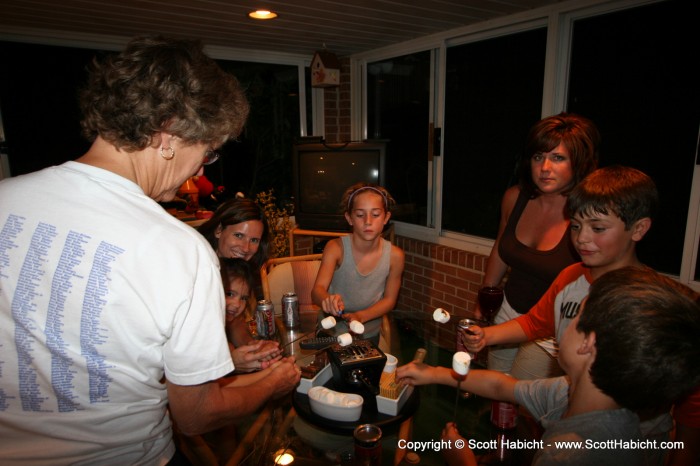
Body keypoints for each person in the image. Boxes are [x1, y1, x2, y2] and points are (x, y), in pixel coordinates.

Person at [0, 36, 300, 465]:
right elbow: (195, 415)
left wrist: (228, 358)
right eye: (208, 151)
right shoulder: (179, 249)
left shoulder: (5, 197)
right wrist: (272, 385)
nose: (200, 169)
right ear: (168, 132)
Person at [397, 267, 700, 465]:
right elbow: (504, 386)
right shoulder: (572, 391)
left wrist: (463, 462)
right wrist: (434, 373)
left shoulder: (570, 455)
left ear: (587, 344)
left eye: (575, 317)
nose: (562, 324)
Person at [478, 112, 599, 380]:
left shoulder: (588, 214)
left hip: (552, 330)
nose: (545, 168)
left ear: (578, 163)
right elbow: (500, 249)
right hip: (507, 313)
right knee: (494, 387)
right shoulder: (514, 198)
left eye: (557, 158)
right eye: (537, 157)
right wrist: (485, 298)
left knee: (522, 403)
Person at [311, 182, 405, 345]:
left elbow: (389, 300)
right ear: (349, 218)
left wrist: (361, 316)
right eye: (360, 215)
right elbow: (317, 291)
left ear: (386, 218)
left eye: (375, 214)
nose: (368, 221)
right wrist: (327, 299)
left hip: (367, 333)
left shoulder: (395, 256)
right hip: (331, 331)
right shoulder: (335, 248)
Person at [199, 197, 282, 368]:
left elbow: (234, 320)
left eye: (254, 240)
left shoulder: (238, 269)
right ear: (219, 230)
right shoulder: (198, 267)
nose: (245, 248)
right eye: (238, 235)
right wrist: (230, 359)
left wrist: (254, 347)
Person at [219, 257, 281, 372]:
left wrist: (258, 348)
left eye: (243, 298)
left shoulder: (232, 319)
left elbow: (240, 334)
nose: (237, 304)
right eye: (230, 294)